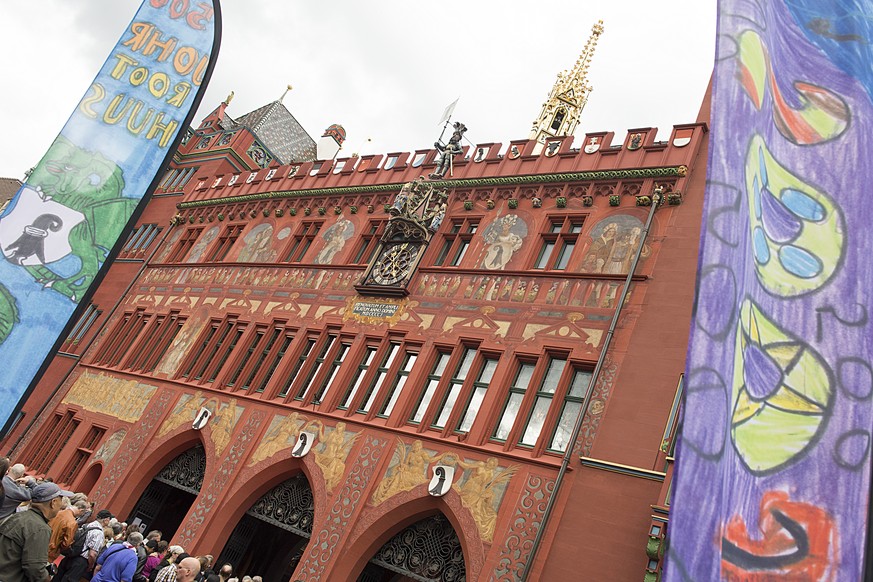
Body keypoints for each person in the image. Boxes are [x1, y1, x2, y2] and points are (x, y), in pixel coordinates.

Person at [0, 481, 72, 582]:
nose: (61, 505)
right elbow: (35, 568)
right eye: (61, 499)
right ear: (53, 502)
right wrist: (46, 579)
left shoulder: (18, 516)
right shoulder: (40, 528)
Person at [54, 508, 114, 582]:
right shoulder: (98, 533)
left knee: (57, 577)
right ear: (106, 519)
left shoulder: (87, 525)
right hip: (80, 561)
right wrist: (91, 565)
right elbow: (92, 554)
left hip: (71, 554)